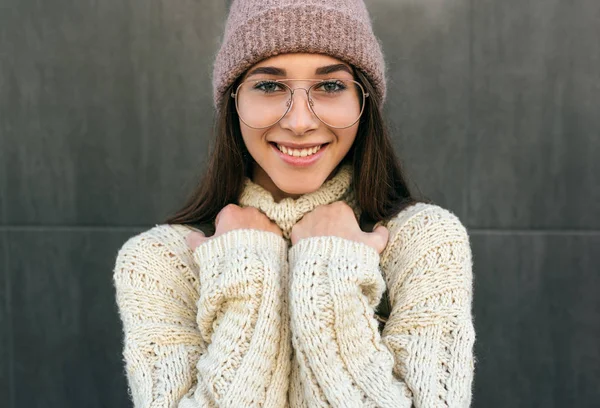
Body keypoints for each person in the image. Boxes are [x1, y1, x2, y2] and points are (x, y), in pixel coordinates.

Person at [112, 0, 476, 406]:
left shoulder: (423, 243)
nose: (300, 122)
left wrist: (329, 269)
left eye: (330, 85)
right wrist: (248, 273)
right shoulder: (160, 263)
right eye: (269, 86)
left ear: (363, 101)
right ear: (233, 101)